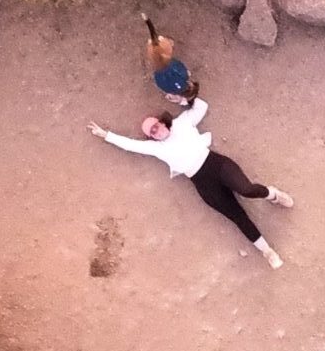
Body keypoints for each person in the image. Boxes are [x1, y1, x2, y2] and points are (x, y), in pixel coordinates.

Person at [89, 99, 293, 267]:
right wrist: (106, 135)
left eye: (155, 126)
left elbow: (202, 107)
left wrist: (186, 98)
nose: (155, 132)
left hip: (216, 164)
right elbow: (131, 146)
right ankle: (267, 252)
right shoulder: (156, 148)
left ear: (162, 122)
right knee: (237, 215)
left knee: (246, 189)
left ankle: (273, 194)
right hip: (202, 182)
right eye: (151, 132)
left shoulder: (182, 122)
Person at [143, 14, 199, 107]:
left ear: (189, 85)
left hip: (166, 62)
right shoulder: (171, 91)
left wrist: (185, 72)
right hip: (157, 71)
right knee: (155, 55)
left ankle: (159, 40)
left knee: (165, 47)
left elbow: (177, 65)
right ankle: (151, 44)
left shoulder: (184, 75)